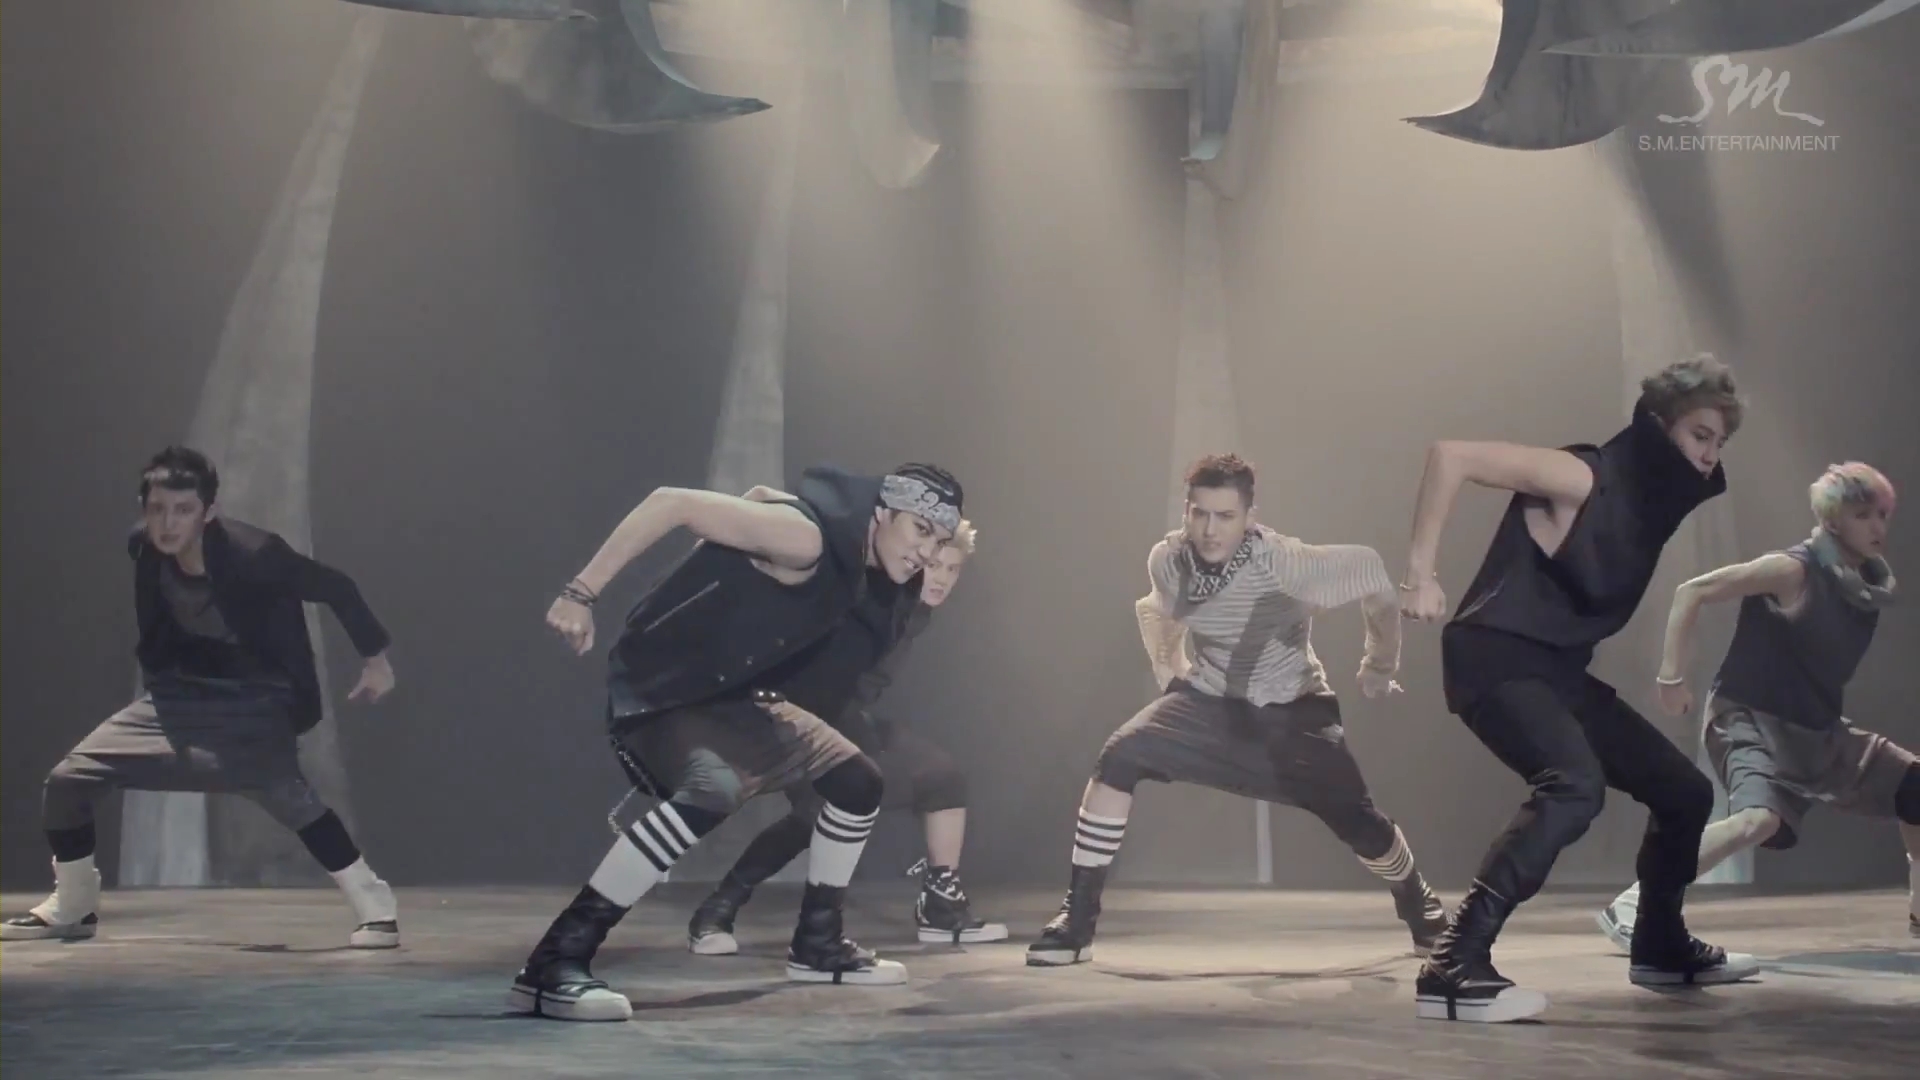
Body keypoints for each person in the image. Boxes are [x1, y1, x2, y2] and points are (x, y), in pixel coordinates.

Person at [507, 463, 964, 1022]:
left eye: (939, 540)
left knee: (857, 780)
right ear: (882, 513)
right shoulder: (806, 539)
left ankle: (818, 946)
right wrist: (580, 594)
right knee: (715, 788)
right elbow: (670, 501)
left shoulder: (859, 562)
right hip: (669, 690)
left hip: (737, 696)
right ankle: (552, 965)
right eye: (920, 529)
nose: (926, 552)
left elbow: (760, 497)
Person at [1398, 355, 1760, 1025]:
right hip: (1493, 655)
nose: (1710, 455)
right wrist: (1420, 574)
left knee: (1685, 792)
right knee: (1573, 785)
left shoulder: (1651, 508)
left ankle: (1658, 945)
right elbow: (1452, 456)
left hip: (1554, 672)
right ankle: (1454, 962)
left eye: (1719, 442)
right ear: (1660, 427)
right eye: (1699, 435)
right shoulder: (1583, 476)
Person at [1025, 454, 1450, 968]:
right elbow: (1158, 610)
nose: (1210, 530)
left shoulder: (1286, 563)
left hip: (1292, 712)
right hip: (1210, 701)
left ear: (1249, 517)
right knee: (1119, 756)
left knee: (1359, 821)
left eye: (1225, 516)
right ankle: (1077, 920)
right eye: (1200, 514)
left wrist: (1378, 666)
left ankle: (1415, 897)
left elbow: (1372, 575)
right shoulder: (1168, 560)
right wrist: (1172, 673)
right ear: (1186, 512)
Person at [1, 447, 400, 948]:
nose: (168, 524)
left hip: (256, 695)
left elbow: (337, 587)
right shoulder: (144, 548)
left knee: (284, 793)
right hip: (181, 693)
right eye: (157, 509)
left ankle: (376, 906)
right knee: (69, 779)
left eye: (183, 510)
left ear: (208, 512)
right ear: (144, 508)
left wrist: (375, 660)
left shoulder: (255, 554)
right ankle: (74, 906)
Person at [1596, 462, 1918, 947]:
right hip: (1748, 719)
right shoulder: (1792, 569)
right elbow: (1693, 590)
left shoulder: (1863, 588)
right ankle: (1635, 902)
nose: (1877, 526)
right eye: (1862, 515)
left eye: (1882, 515)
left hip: (1817, 732)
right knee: (1757, 820)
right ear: (1833, 521)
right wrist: (1671, 676)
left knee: (1914, 787)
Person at [686, 521, 1008, 955]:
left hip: (848, 714)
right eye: (935, 566)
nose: (942, 579)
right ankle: (717, 910)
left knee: (943, 778)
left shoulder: (916, 611)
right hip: (798, 714)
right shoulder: (872, 598)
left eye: (952, 569)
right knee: (822, 810)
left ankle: (941, 907)